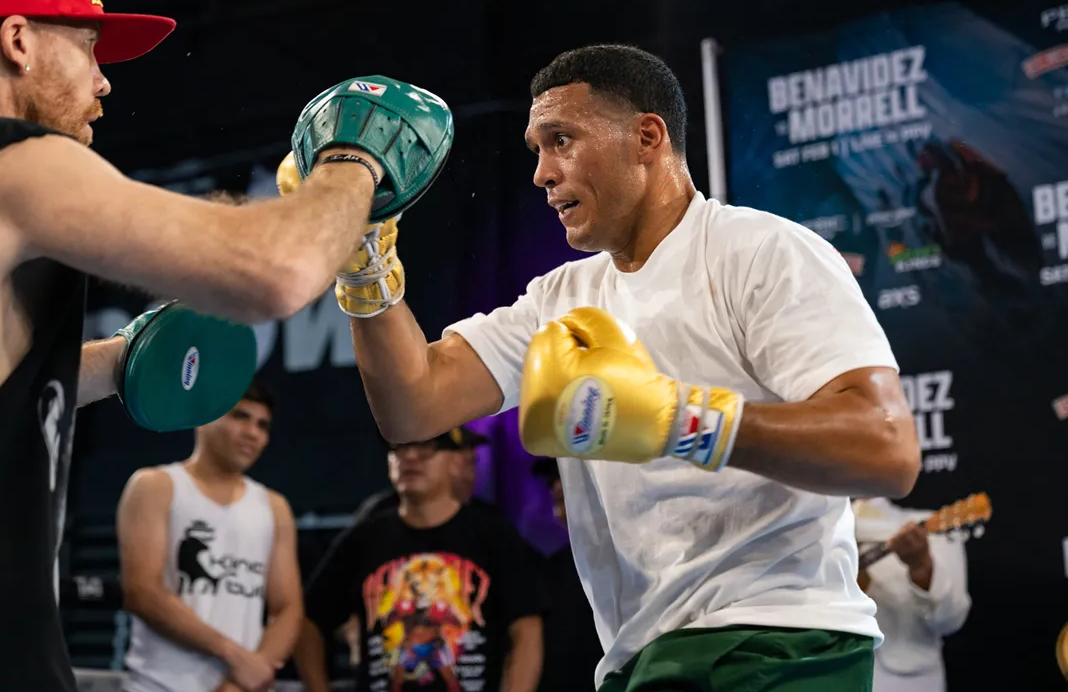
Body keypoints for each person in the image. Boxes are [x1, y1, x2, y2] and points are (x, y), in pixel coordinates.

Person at [0, 0, 451, 692]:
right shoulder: (5, 163)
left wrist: (118, 362)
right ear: (18, 40)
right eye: (86, 47)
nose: (103, 81)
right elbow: (274, 272)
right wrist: (355, 163)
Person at [333, 44, 922, 690]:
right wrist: (363, 264)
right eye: (535, 149)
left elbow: (887, 447)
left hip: (781, 640)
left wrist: (677, 420)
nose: (541, 174)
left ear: (647, 137)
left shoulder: (760, 253)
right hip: (640, 658)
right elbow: (412, 405)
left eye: (561, 140)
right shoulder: (558, 300)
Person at [293, 431, 547, 692]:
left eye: (426, 447)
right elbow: (308, 621)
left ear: (454, 460)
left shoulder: (492, 534)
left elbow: (526, 627)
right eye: (398, 447)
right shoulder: (366, 537)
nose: (410, 457)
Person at [116, 380, 301, 692]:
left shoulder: (275, 507)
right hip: (158, 685)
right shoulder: (155, 486)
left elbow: (288, 608)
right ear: (204, 417)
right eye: (240, 417)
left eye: (262, 425)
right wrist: (233, 654)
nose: (253, 433)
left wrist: (248, 677)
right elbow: (142, 592)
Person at [852, 497, 971, 692]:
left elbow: (951, 620)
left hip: (905, 681)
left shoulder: (926, 525)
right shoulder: (809, 529)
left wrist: (921, 567)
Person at [530, 458, 601, 692]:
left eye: (566, 476)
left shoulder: (636, 561)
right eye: (552, 480)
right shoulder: (549, 571)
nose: (557, 487)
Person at [352, 425, 493, 523]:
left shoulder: (488, 525)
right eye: (400, 445)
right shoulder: (375, 516)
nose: (410, 456)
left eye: (472, 460)